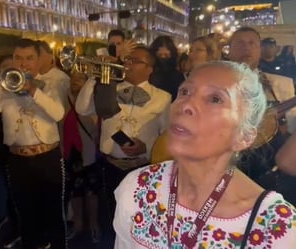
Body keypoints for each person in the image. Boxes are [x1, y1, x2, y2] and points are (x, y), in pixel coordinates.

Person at [113, 61, 296, 249]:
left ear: (244, 136)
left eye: (215, 99)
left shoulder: (276, 228)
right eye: (184, 92)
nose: (186, 105)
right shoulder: (137, 189)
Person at [76, 46, 171, 238]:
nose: (128, 63)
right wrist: (97, 75)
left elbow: (166, 136)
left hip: (142, 168)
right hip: (109, 166)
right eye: (127, 59)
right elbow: (82, 108)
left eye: (136, 61)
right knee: (110, 217)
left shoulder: (163, 97)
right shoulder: (108, 88)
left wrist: (146, 149)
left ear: (149, 69)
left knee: (138, 219)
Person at [0, 38, 67, 249]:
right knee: (26, 215)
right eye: (18, 58)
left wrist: (33, 90)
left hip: (47, 157)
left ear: (39, 61)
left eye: (29, 58)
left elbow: (58, 113)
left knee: (54, 213)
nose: (23, 63)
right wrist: (2, 87)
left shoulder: (49, 85)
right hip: (17, 159)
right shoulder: (4, 85)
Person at [228, 27, 296, 186]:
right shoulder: (213, 84)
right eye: (240, 43)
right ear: (229, 50)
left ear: (259, 50)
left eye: (252, 43)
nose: (246, 47)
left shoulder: (281, 84)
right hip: (228, 167)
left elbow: (292, 126)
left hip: (271, 173)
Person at [64, 72, 101, 243]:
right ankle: (78, 223)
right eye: (73, 80)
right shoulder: (65, 100)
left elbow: (96, 128)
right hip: (71, 155)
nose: (75, 83)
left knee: (91, 192)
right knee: (75, 192)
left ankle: (94, 224)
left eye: (79, 79)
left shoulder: (92, 102)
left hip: (89, 153)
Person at [149, 35, 185, 101]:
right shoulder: (149, 72)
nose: (163, 58)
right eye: (160, 55)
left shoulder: (177, 76)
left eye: (166, 55)